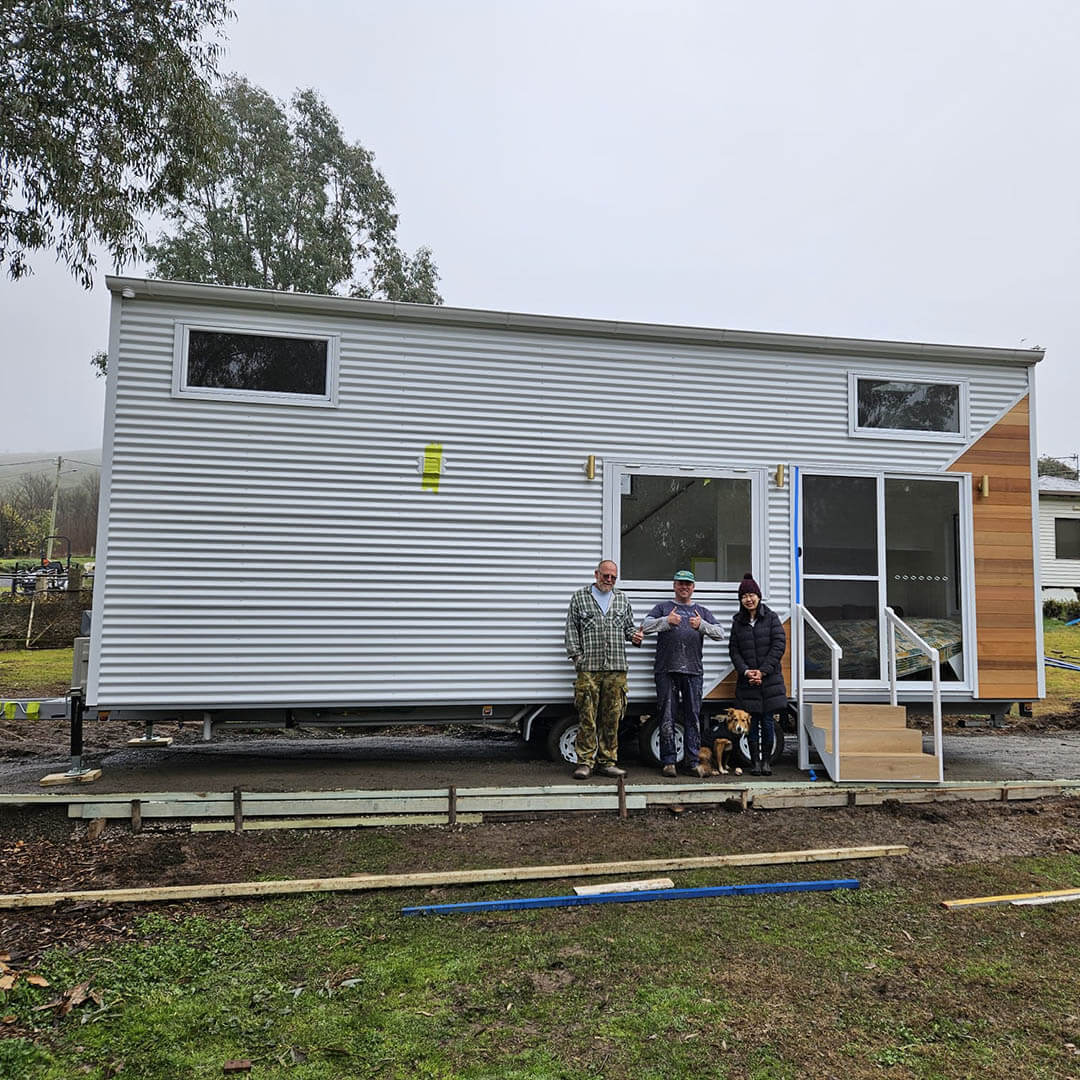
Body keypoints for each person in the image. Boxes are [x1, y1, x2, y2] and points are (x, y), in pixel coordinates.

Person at [640, 570, 723, 777]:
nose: (684, 587)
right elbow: (646, 627)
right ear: (674, 585)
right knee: (667, 717)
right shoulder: (663, 608)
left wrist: (701, 626)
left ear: (693, 587)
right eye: (680, 583)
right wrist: (666, 621)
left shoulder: (701, 611)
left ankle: (692, 761)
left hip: (693, 672)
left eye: (688, 584)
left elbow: (720, 633)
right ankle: (669, 762)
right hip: (666, 671)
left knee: (692, 717)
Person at [564, 559, 638, 779]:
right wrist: (578, 658)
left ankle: (607, 761)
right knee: (587, 716)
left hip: (616, 668)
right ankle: (585, 762)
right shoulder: (580, 597)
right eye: (605, 575)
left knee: (612, 717)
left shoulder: (622, 599)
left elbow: (628, 628)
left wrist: (636, 635)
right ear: (596, 574)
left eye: (613, 577)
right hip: (589, 669)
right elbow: (570, 630)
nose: (609, 580)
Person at [728, 573, 788, 775]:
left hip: (769, 680)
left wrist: (762, 671)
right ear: (741, 600)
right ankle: (754, 763)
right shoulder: (738, 621)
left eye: (752, 594)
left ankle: (766, 763)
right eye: (744, 596)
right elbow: (734, 650)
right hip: (747, 682)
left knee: (768, 722)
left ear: (759, 596)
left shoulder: (771, 618)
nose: (749, 599)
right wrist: (746, 671)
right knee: (751, 724)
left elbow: (779, 645)